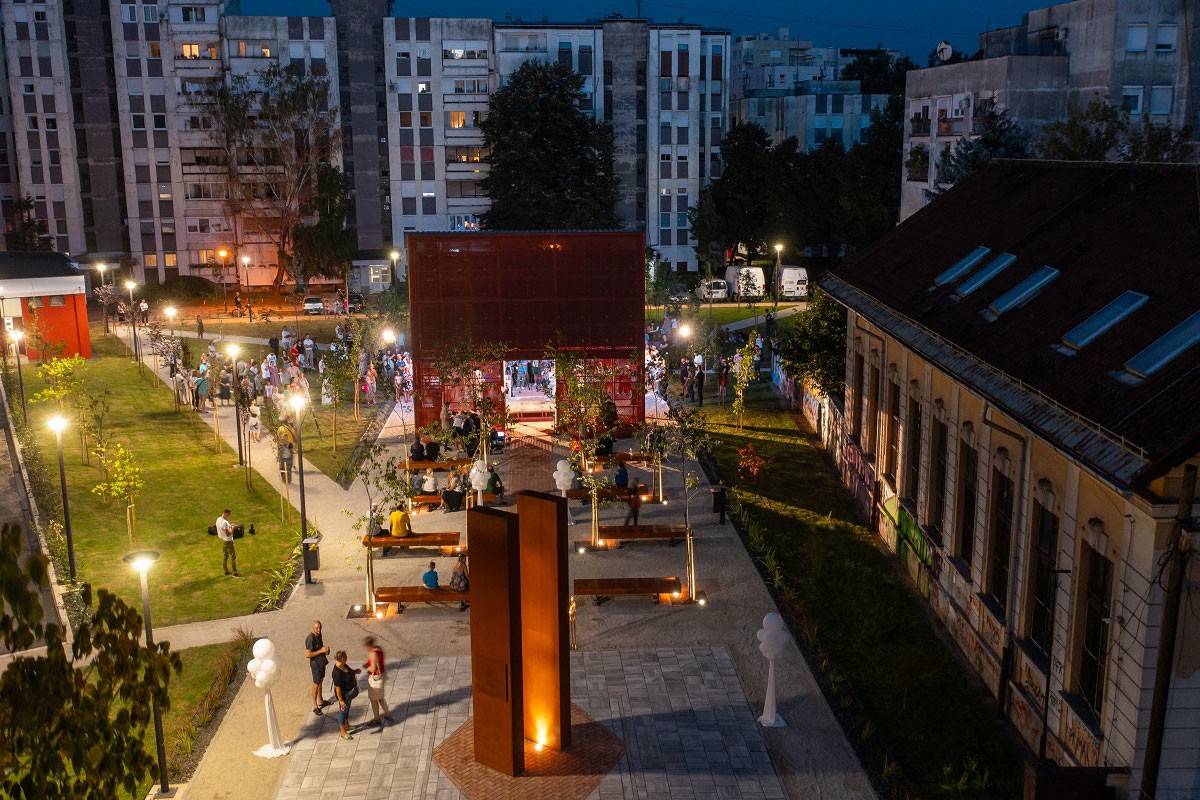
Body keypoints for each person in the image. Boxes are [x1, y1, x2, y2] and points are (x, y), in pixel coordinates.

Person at [362, 637, 393, 726]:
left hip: (375, 679)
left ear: (369, 645)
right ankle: (388, 714)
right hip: (382, 675)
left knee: (373, 699)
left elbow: (373, 668)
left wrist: (367, 667)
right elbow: (379, 662)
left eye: (366, 646)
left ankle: (376, 719)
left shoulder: (373, 654)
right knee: (380, 698)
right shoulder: (379, 649)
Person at [331, 650, 359, 740]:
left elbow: (349, 672)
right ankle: (343, 732)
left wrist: (354, 671)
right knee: (342, 712)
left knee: (347, 709)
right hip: (344, 695)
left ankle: (347, 725)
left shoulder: (343, 664)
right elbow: (337, 688)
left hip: (349, 693)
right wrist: (341, 700)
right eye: (346, 656)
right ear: (342, 658)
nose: (347, 657)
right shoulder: (337, 673)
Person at [305, 621, 332, 716]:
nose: (319, 630)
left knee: (320, 681)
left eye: (320, 627)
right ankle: (315, 706)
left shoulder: (319, 635)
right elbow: (307, 654)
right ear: (312, 628)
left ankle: (320, 701)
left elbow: (319, 648)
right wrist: (321, 650)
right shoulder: (310, 639)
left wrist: (325, 651)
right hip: (315, 663)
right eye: (316, 628)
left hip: (321, 661)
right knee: (316, 684)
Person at [216, 508, 240, 577]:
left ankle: (226, 571)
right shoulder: (224, 522)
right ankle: (235, 572)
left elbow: (224, 529)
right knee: (233, 557)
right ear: (226, 513)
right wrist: (233, 528)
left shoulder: (218, 519)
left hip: (223, 541)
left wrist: (231, 526)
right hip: (228, 541)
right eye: (229, 514)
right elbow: (228, 534)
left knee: (225, 556)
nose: (229, 516)